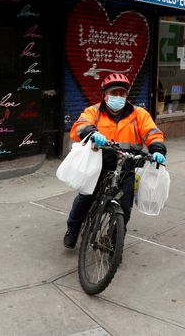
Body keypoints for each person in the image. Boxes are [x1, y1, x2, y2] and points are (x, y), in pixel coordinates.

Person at [63, 72, 167, 249]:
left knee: (125, 206)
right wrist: (92, 133)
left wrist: (157, 150)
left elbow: (152, 133)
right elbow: (80, 125)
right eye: (114, 93)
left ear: (127, 95)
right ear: (105, 95)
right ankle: (73, 229)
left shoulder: (139, 114)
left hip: (127, 166)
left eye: (122, 93)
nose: (118, 97)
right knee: (86, 197)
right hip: (99, 164)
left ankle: (114, 240)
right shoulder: (94, 111)